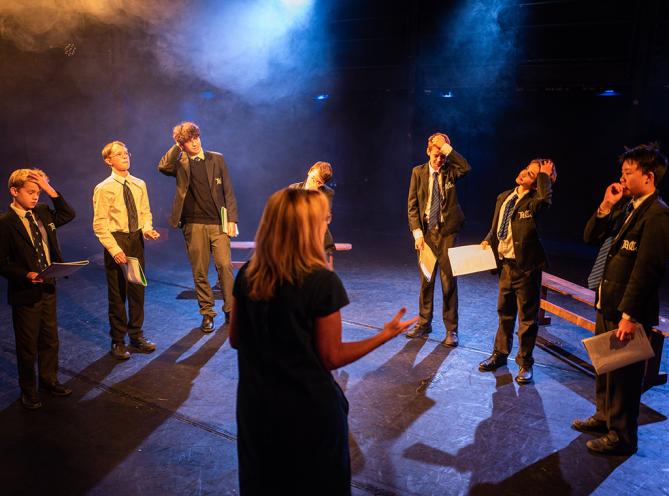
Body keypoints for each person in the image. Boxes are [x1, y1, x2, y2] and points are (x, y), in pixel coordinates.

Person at [230, 188, 417, 495]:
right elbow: (331, 356)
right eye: (323, 219)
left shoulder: (248, 275)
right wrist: (385, 335)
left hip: (256, 408)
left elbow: (236, 339)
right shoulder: (321, 281)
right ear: (307, 227)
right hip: (307, 413)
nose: (326, 225)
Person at [572, 143, 669, 455]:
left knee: (625, 378)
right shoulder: (627, 209)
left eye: (628, 172)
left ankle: (622, 437)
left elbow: (647, 270)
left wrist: (630, 315)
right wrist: (606, 205)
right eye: (622, 172)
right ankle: (604, 417)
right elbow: (591, 237)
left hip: (628, 311)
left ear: (648, 177)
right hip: (608, 301)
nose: (622, 178)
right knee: (606, 368)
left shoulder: (657, 214)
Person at [0, 169, 76, 409]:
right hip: (25, 292)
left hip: (48, 286)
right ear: (14, 191)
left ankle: (49, 380)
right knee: (27, 345)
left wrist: (48, 188)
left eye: (38, 192)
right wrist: (25, 274)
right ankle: (28, 390)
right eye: (30, 192)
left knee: (50, 339)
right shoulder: (5, 223)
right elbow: (2, 262)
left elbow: (68, 214)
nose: (35, 197)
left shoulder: (42, 212)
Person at [478, 159, 557, 384]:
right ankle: (500, 355)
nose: (524, 173)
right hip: (506, 267)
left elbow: (544, 200)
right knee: (504, 313)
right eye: (527, 169)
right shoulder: (505, 197)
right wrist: (488, 239)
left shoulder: (534, 202)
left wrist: (545, 176)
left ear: (537, 183)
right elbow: (497, 226)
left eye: (532, 175)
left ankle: (525, 363)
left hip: (526, 269)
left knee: (527, 320)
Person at [158, 121, 239, 333]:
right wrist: (177, 146)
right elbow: (163, 166)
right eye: (188, 140)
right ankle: (207, 313)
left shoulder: (216, 159)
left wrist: (232, 219)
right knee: (200, 271)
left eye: (196, 138)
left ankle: (231, 310)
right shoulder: (180, 163)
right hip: (193, 224)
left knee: (225, 266)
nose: (194, 143)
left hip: (218, 223)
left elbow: (228, 191)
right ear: (182, 144)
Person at [93, 141, 160, 360]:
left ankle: (136, 336)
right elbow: (100, 224)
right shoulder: (104, 188)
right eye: (119, 154)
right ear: (108, 160)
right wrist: (114, 249)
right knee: (118, 294)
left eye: (126, 153)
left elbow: (145, 212)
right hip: (117, 240)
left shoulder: (139, 184)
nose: (125, 156)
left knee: (137, 290)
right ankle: (118, 341)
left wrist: (147, 229)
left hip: (136, 240)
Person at [406, 132, 471, 347]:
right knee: (426, 280)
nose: (439, 160)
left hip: (447, 232)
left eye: (442, 156)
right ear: (428, 152)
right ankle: (424, 323)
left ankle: (452, 330)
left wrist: (446, 148)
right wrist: (417, 234)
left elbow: (466, 167)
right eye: (436, 155)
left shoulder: (451, 170)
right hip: (427, 233)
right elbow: (412, 206)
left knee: (448, 281)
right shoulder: (418, 172)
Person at [289, 161, 336, 255]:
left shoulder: (327, 193)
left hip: (317, 238)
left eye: (318, 182)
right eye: (313, 178)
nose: (313, 183)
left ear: (322, 184)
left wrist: (314, 195)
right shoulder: (293, 188)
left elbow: (322, 217)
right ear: (310, 171)